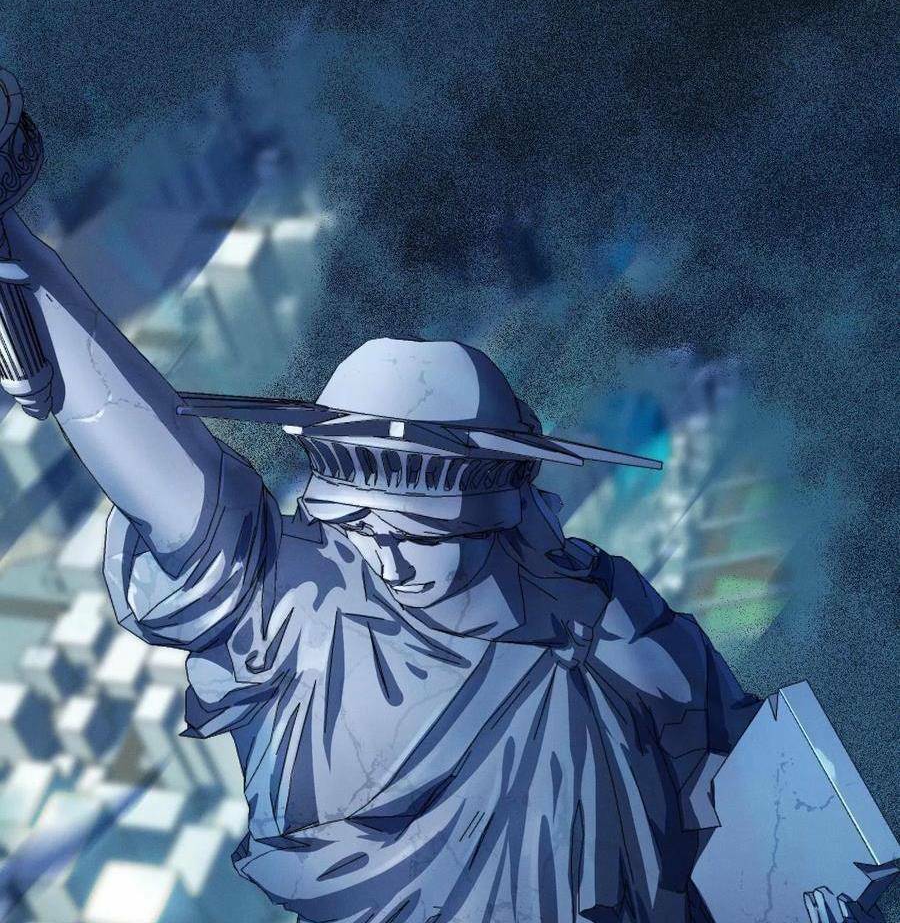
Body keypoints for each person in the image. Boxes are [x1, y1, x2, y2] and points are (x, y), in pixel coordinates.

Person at [0, 211, 884, 923]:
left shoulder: (598, 608)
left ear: (494, 510)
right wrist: (21, 259)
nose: (385, 552)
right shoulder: (306, 607)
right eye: (359, 524)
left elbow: (740, 782)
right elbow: (182, 488)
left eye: (420, 532)